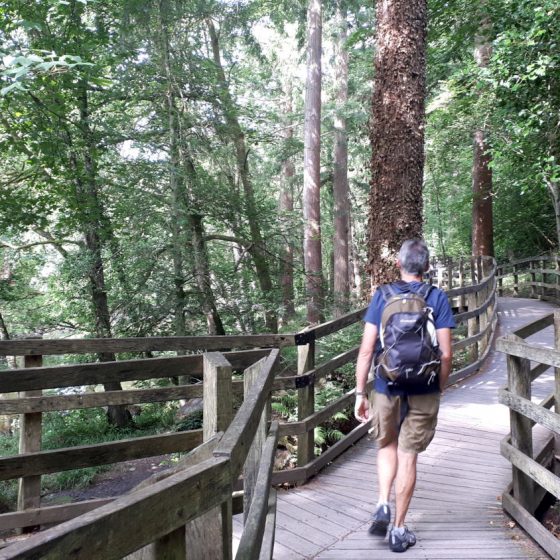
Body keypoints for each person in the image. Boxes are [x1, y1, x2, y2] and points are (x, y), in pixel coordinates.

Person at [354, 238, 455, 553]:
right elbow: (447, 353)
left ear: (398, 264)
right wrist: (439, 383)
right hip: (424, 386)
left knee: (387, 445)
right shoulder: (436, 298)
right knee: (408, 454)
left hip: (386, 386)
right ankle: (398, 529)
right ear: (426, 267)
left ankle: (382, 502)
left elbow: (367, 349)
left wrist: (360, 392)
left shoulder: (382, 296)